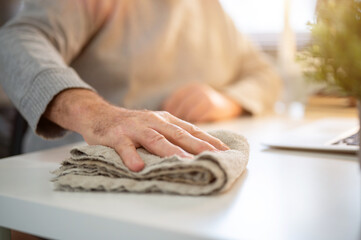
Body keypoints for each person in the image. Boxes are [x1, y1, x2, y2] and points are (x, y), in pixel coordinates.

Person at [0, 0, 281, 172]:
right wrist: (97, 115)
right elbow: (13, 42)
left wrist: (225, 100)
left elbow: (266, 75)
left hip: (182, 185)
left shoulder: (211, 7)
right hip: (73, 180)